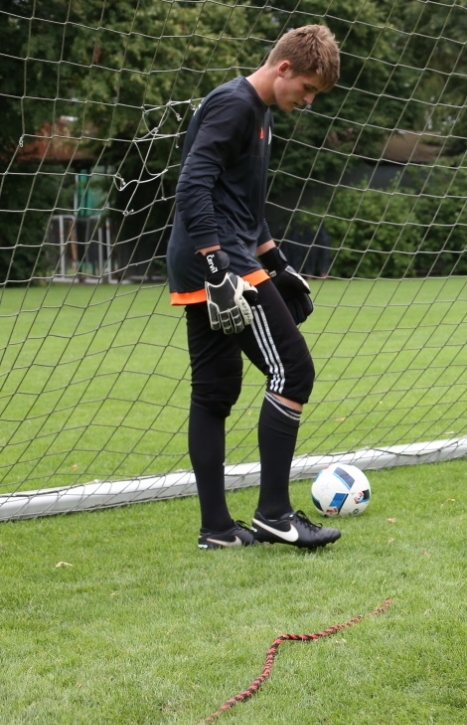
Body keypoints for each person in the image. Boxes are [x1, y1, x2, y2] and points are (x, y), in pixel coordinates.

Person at [166, 25, 341, 549]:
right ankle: (274, 513)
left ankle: (217, 530)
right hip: (217, 260)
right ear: (283, 67)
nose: (306, 100)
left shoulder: (259, 112)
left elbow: (244, 206)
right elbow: (192, 183)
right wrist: (217, 265)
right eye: (306, 89)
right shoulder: (236, 105)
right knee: (293, 369)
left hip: (219, 256)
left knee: (215, 392)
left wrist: (279, 263)